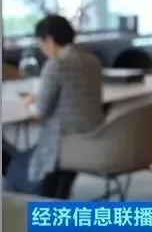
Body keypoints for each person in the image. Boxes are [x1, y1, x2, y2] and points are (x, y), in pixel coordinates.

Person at [2, 14, 105, 196]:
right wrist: (40, 97)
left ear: (49, 40)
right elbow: (72, 95)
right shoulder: (92, 61)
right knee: (19, 157)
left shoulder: (56, 64)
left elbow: (41, 110)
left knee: (15, 167)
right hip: (92, 135)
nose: (42, 50)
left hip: (63, 141)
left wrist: (30, 103)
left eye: (41, 44)